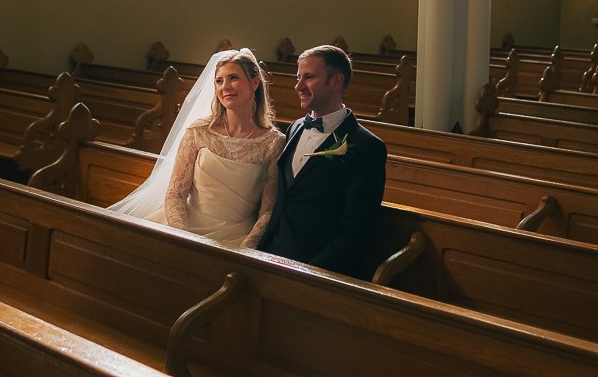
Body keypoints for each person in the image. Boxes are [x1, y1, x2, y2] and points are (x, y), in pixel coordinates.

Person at [109, 49, 285, 248]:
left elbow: (267, 211)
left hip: (236, 239)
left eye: (233, 78)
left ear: (254, 83)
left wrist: (247, 248)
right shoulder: (198, 131)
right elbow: (175, 193)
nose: (225, 87)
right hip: (183, 227)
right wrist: (181, 237)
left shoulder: (273, 142)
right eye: (219, 81)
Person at [258, 45, 388, 279]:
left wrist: (314, 272)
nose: (298, 86)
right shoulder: (295, 128)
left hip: (316, 269)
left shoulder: (367, 147)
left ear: (336, 82)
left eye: (308, 77)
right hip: (272, 256)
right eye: (298, 77)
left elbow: (358, 227)